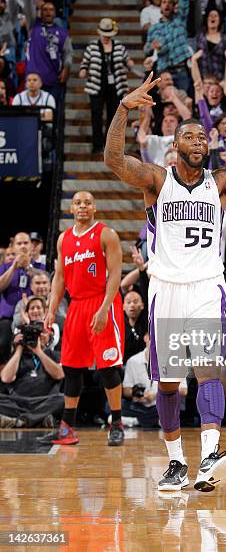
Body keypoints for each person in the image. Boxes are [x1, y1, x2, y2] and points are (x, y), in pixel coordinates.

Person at [104, 74, 226, 492]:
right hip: (165, 288)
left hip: (205, 285)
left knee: (208, 370)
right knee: (167, 381)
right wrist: (123, 108)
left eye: (203, 136)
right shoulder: (156, 179)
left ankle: (209, 457)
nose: (199, 140)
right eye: (190, 135)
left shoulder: (220, 182)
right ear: (176, 146)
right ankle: (175, 463)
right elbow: (113, 159)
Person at [38, 191, 125, 447]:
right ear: (71, 208)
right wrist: (51, 309)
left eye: (87, 203)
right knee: (72, 368)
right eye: (78, 203)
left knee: (108, 368)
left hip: (103, 302)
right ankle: (66, 428)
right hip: (76, 306)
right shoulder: (63, 239)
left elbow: (116, 274)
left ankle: (116, 423)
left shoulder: (106, 234)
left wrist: (104, 308)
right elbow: (59, 278)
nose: (83, 206)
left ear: (94, 208)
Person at [0, 295, 64, 428]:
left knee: (63, 399)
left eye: (38, 308)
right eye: (32, 308)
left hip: (44, 400)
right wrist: (18, 349)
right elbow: (6, 378)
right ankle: (39, 419)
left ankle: (21, 420)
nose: (33, 338)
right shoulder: (18, 353)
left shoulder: (51, 354)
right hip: (18, 400)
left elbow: (60, 375)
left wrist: (39, 351)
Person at [79, 18, 134, 153]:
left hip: (115, 87)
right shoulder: (92, 46)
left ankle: (110, 146)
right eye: (104, 34)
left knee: (113, 117)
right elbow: (85, 63)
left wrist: (131, 63)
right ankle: (97, 145)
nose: (106, 37)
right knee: (96, 115)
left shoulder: (119, 46)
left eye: (108, 35)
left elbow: (127, 61)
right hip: (97, 86)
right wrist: (83, 70)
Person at [0, 232, 45, 363]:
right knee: (3, 343)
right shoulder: (4, 267)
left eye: (26, 243)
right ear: (13, 247)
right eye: (19, 243)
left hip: (33, 317)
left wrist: (29, 269)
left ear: (31, 246)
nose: (23, 246)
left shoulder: (39, 268)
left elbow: (44, 287)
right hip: (8, 318)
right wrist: (14, 266)